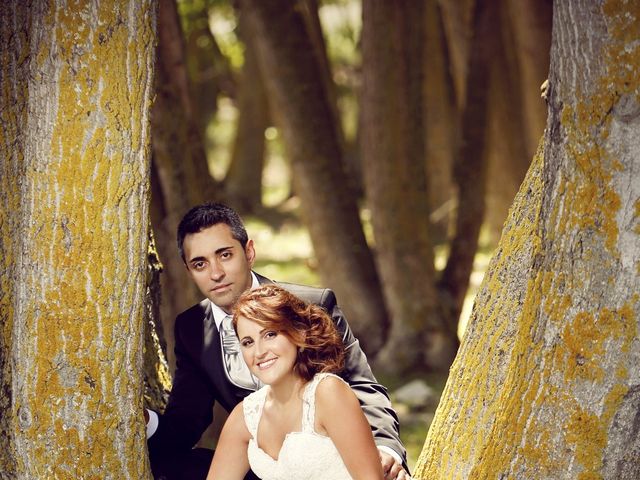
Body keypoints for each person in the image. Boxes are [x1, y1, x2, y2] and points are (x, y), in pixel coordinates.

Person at [146, 202, 409, 480]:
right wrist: (143, 420)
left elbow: (363, 386)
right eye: (200, 264)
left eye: (225, 255)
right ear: (189, 271)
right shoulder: (192, 329)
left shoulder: (311, 306)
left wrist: (385, 448)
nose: (215, 273)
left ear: (249, 252)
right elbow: (186, 422)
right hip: (260, 464)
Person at [207, 284, 386, 480]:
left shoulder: (328, 393)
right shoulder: (245, 416)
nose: (259, 352)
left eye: (270, 334)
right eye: (248, 342)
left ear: (299, 333)